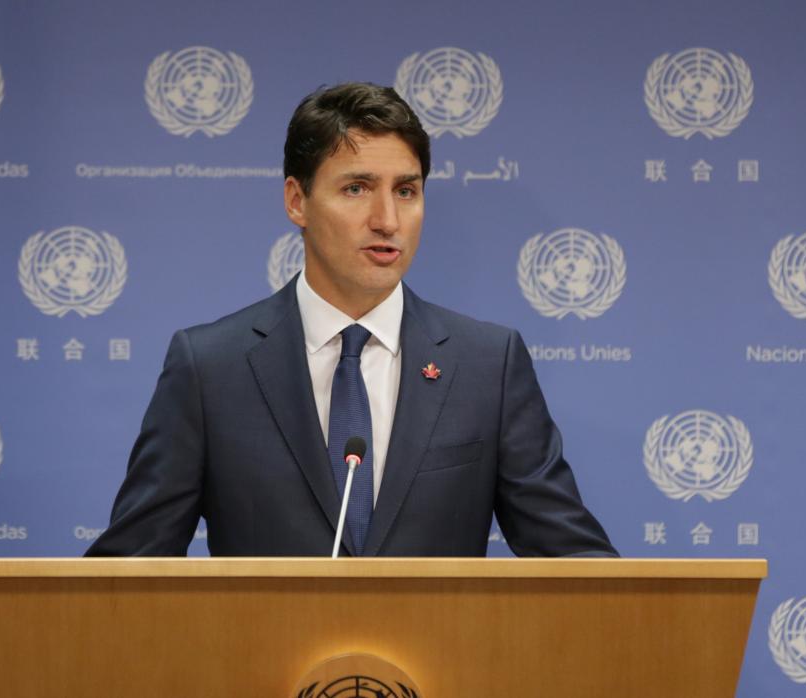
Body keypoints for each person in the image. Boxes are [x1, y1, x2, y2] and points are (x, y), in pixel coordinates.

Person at [86, 83, 615, 558]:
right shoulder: (209, 369)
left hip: (437, 666)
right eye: (357, 188)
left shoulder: (486, 365)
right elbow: (130, 577)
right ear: (298, 200)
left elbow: (574, 566)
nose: (387, 220)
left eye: (405, 191)